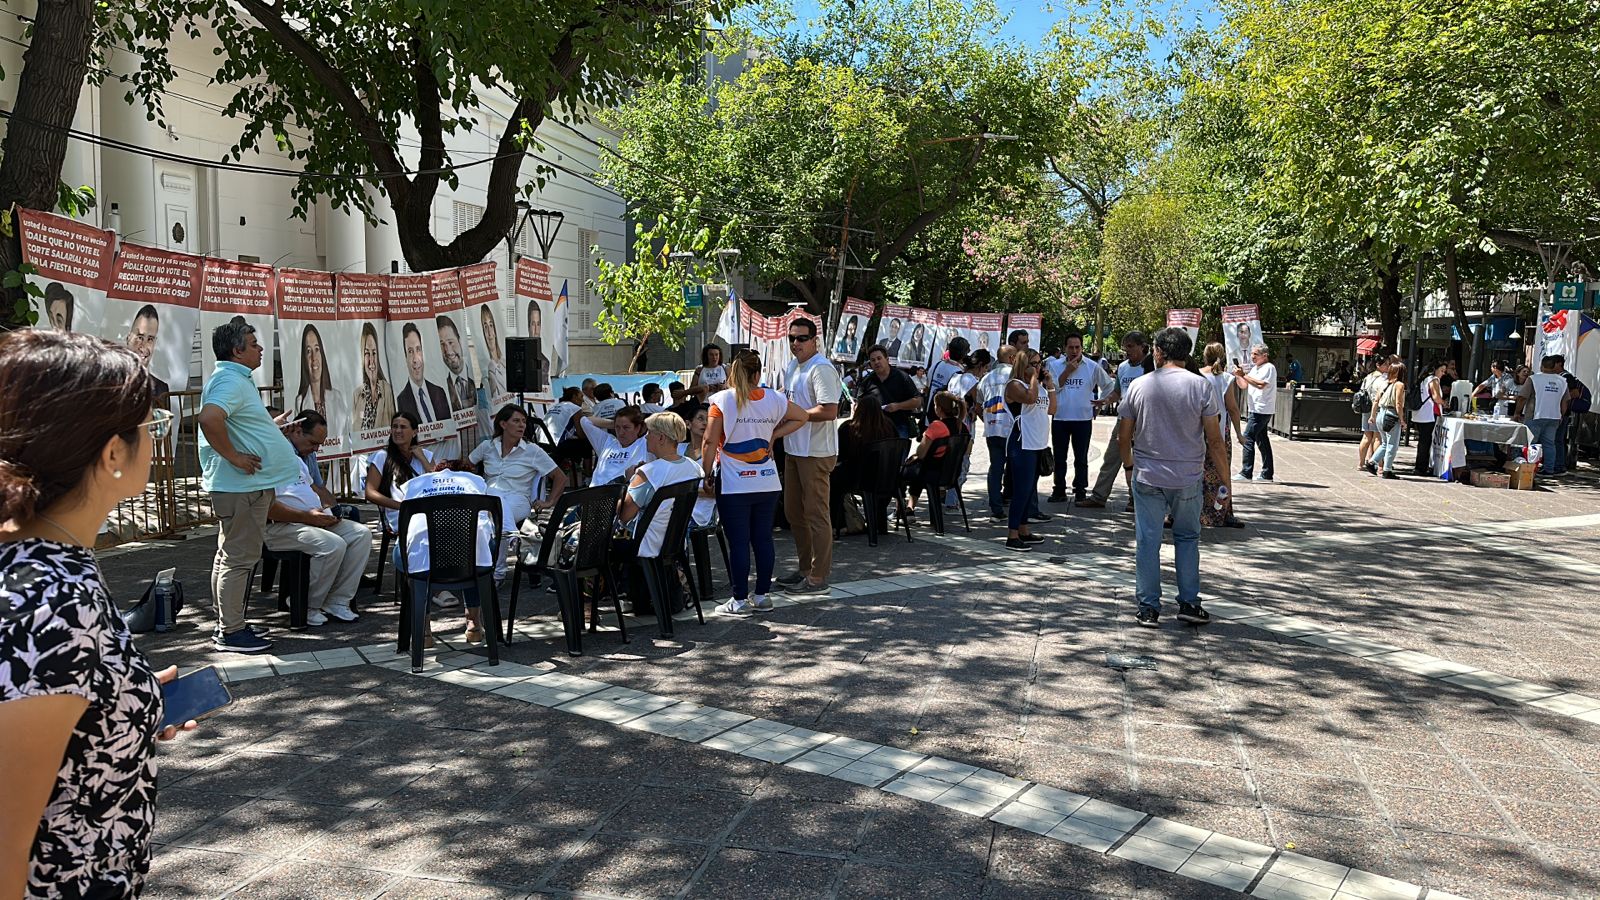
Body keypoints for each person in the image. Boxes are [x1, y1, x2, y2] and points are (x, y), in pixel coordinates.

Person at [0, 330, 199, 900]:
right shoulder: (55, 604)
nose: (155, 441)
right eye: (150, 428)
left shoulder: (46, 562)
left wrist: (124, 704)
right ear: (112, 453)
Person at [198, 320, 300, 653]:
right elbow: (209, 418)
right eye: (254, 344)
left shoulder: (233, 378)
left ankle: (228, 623)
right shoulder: (230, 380)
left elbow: (235, 423)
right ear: (237, 350)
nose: (260, 349)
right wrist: (235, 457)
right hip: (241, 486)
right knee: (238, 559)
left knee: (229, 555)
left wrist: (268, 428)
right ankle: (231, 631)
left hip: (242, 486)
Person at [1120, 328, 1229, 627]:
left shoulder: (1139, 385)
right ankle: (1190, 603)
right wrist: (1225, 481)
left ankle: (1148, 608)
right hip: (1187, 475)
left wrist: (1129, 467)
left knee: (1147, 541)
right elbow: (1214, 439)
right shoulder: (1201, 386)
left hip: (1147, 474)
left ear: (1157, 352)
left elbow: (1124, 435)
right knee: (1188, 538)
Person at [704, 351, 808, 615]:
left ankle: (739, 600)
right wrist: (774, 435)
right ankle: (762, 596)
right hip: (767, 479)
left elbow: (709, 441)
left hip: (734, 481)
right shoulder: (774, 398)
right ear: (758, 374)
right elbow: (802, 416)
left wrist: (705, 474)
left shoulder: (721, 400)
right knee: (763, 539)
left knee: (739, 542)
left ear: (733, 372)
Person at [264, 412, 371, 625]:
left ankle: (338, 601)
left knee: (361, 534)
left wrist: (330, 512)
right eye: (313, 443)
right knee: (333, 545)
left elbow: (315, 490)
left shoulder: (297, 460)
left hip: (309, 521)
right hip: (279, 527)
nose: (316, 449)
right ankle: (305, 603)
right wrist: (308, 517)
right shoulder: (266, 461)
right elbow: (268, 509)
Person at [395, 458, 498, 644]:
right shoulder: (475, 483)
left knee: (413, 552)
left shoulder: (417, 484)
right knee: (478, 548)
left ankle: (424, 631)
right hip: (470, 564)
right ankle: (474, 623)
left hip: (423, 566)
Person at [777, 317, 842, 596]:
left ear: (815, 340)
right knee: (793, 512)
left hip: (816, 452)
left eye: (802, 338)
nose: (796, 343)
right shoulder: (793, 365)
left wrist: (796, 416)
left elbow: (829, 410)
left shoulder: (821, 368)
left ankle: (818, 577)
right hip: (794, 448)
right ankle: (805, 569)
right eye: (792, 338)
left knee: (816, 514)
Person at [469, 404, 566, 579]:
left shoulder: (532, 450)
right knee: (493, 503)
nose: (522, 425)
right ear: (503, 424)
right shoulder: (487, 446)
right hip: (489, 501)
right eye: (516, 421)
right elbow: (466, 466)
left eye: (523, 421)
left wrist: (549, 502)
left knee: (493, 501)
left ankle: (493, 571)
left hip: (518, 499)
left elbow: (560, 477)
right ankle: (508, 547)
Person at [1078, 332, 1152, 511]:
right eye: (1125, 347)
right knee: (1111, 457)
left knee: (1140, 462)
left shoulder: (1151, 366)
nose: (1127, 351)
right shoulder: (1123, 367)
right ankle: (1099, 496)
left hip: (1144, 420)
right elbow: (1118, 392)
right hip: (1123, 420)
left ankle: (1135, 499)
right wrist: (1105, 401)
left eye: (1131, 347)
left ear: (1142, 346)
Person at [619, 412, 703, 559]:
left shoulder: (648, 472)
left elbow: (624, 516)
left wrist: (628, 481)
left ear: (661, 438)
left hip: (645, 544)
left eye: (649, 432)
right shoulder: (694, 467)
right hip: (675, 542)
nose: (646, 437)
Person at [1047, 332, 1114, 505]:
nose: (1074, 351)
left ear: (1082, 348)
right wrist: (1067, 371)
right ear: (1065, 348)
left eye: (1077, 347)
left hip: (1083, 418)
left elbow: (1108, 385)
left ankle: (1080, 489)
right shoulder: (1054, 365)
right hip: (1060, 417)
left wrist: (1102, 403)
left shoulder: (1092, 366)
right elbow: (1054, 388)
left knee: (1081, 457)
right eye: (1071, 347)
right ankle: (1059, 489)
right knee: (1059, 456)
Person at [1003, 350, 1053, 550]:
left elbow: (1052, 409)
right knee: (1021, 490)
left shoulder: (1037, 386)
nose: (1037, 367)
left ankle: (1023, 529)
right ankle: (1012, 535)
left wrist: (1050, 386)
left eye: (1039, 363)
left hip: (1037, 443)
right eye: (1033, 364)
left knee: (1030, 489)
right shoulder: (1014, 385)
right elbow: (1030, 399)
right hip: (1021, 443)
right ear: (1023, 365)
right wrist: (1033, 378)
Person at [833, 395, 896, 529]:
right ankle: (879, 522)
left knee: (831, 480)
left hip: (858, 478)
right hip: (887, 476)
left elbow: (839, 455)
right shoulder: (889, 427)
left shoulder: (849, 428)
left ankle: (837, 522)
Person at [1199, 342, 1244, 527]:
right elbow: (1232, 408)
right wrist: (1239, 433)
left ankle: (1195, 511)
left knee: (1197, 471)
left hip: (1198, 430)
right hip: (1220, 429)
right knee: (1222, 472)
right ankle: (1222, 513)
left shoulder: (1197, 375)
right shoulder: (1225, 378)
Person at [902, 391, 967, 517]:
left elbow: (921, 453)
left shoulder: (937, 426)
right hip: (952, 473)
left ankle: (905, 510)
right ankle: (911, 508)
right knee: (920, 470)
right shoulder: (962, 426)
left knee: (907, 472)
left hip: (932, 473)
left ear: (939, 408)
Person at [292, 323, 348, 441]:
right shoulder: (300, 401)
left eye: (317, 349)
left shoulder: (336, 397)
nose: (314, 358)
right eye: (308, 351)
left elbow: (344, 434)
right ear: (304, 359)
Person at [979, 344, 1016, 518]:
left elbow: (978, 404)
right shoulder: (1015, 376)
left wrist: (987, 420)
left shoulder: (986, 378)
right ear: (1011, 358)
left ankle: (996, 508)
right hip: (1012, 428)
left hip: (992, 428)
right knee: (1016, 467)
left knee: (995, 468)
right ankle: (1016, 504)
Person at [857, 345, 922, 438]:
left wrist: (898, 406)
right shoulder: (867, 381)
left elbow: (918, 401)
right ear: (870, 364)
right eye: (873, 360)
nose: (876, 362)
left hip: (899, 427)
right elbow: (859, 403)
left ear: (887, 360)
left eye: (879, 358)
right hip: (874, 429)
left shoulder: (902, 377)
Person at [1234, 344, 1278, 482]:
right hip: (1255, 408)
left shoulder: (1269, 368)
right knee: (1262, 439)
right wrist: (1238, 376)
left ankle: (1246, 472)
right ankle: (1267, 473)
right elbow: (1244, 385)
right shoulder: (1255, 368)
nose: (1252, 356)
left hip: (1261, 409)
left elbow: (1260, 384)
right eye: (1252, 353)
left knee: (1247, 437)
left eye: (1255, 354)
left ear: (1264, 355)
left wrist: (1244, 375)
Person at [395, 322, 451, 424]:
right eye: (410, 352)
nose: (416, 359)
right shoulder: (401, 401)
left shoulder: (439, 393)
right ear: (405, 357)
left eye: (418, 349)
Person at [581, 404, 650, 485]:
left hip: (622, 490)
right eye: (617, 427)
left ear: (637, 428)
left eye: (626, 427)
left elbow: (660, 424)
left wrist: (643, 425)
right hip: (596, 490)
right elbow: (584, 421)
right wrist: (613, 424)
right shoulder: (607, 442)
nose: (621, 432)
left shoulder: (646, 443)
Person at [1527, 358, 1570, 477]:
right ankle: (1549, 469)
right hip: (1554, 417)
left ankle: (1528, 468)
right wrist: (1561, 415)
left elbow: (1522, 397)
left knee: (1531, 443)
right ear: (1553, 366)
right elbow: (1565, 401)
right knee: (1550, 444)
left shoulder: (1534, 379)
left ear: (1542, 366)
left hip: (1536, 415)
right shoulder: (1562, 381)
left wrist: (1517, 412)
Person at [353, 322, 397, 432]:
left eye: (374, 353)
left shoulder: (387, 391)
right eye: (367, 353)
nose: (371, 360)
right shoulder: (357, 395)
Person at [124, 304, 170, 400]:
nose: (144, 346)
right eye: (140, 337)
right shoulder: (109, 383)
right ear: (128, 338)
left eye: (150, 339)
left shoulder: (161, 390)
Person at [1357, 356, 1394, 472]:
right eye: (1385, 364)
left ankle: (1361, 463)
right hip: (1376, 409)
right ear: (1378, 365)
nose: (1388, 366)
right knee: (1378, 438)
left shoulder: (1368, 377)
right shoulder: (1383, 378)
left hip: (1366, 408)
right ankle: (1379, 465)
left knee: (1366, 436)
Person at [436, 315, 477, 421]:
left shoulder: (477, 379)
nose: (448, 351)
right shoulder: (440, 392)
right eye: (442, 345)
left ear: (459, 341)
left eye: (450, 342)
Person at [1373, 362, 1408, 478]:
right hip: (1391, 415)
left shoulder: (1384, 383)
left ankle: (1372, 461)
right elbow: (1398, 403)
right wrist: (1402, 420)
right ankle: (1387, 470)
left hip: (1381, 413)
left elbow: (1376, 400)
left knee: (1385, 443)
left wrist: (1372, 415)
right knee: (1392, 444)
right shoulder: (1399, 385)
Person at [1411, 359, 1446, 477]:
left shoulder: (1423, 379)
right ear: (1435, 370)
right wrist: (1444, 403)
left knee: (1422, 441)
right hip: (1428, 415)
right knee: (1425, 442)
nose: (1443, 373)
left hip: (1420, 414)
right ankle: (1421, 468)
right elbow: (1436, 397)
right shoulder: (1433, 379)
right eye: (1442, 370)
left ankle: (1420, 466)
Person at [479, 304, 509, 401]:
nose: (489, 332)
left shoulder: (505, 362)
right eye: (485, 327)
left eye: (491, 325)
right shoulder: (487, 369)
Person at [523, 301, 552, 393]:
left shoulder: (545, 362)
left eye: (538, 324)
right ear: (528, 326)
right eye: (533, 324)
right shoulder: (522, 358)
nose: (536, 329)